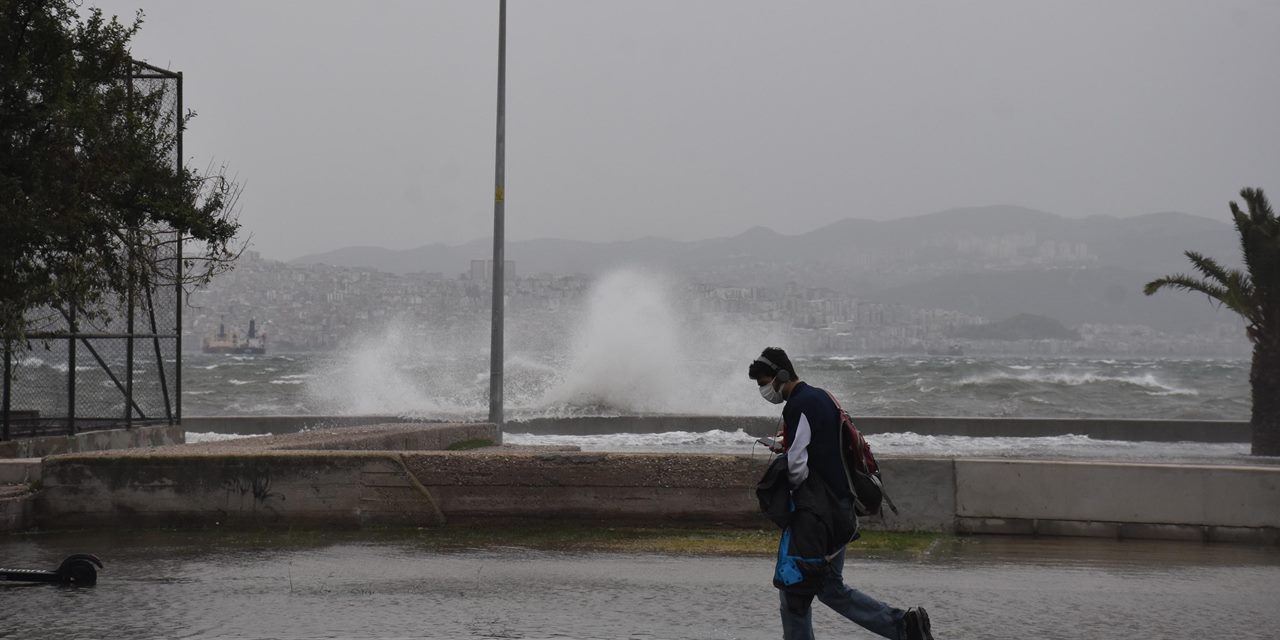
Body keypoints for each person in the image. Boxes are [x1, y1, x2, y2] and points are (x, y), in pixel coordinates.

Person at [749, 346, 935, 640]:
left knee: (794, 591)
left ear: (781, 375)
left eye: (764, 382)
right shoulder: (822, 397)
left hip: (818, 516)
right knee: (829, 587)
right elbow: (824, 445)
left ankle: (903, 626)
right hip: (840, 509)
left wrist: (793, 492)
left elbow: (797, 464)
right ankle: (905, 627)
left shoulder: (798, 405)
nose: (764, 390)